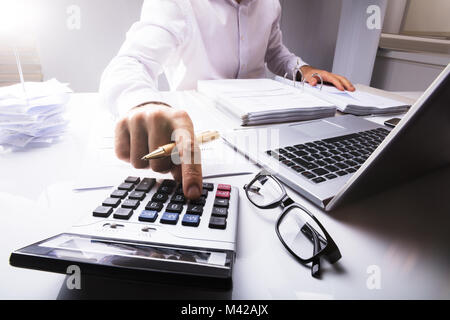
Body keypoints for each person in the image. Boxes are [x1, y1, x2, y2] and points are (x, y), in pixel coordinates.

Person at [100, 0, 355, 200]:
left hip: (267, 128)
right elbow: (132, 61)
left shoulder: (270, 4)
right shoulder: (177, 3)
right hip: (206, 135)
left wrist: (303, 69)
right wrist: (144, 103)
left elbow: (275, 52)